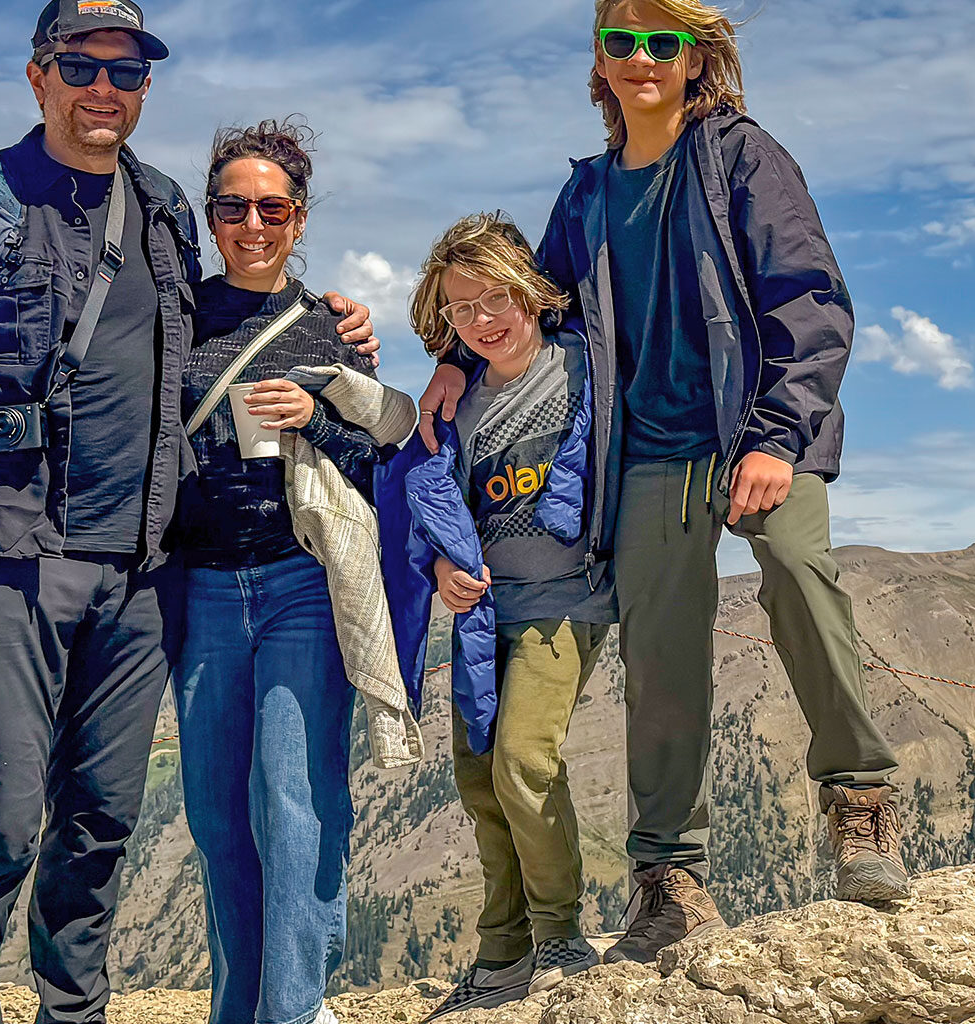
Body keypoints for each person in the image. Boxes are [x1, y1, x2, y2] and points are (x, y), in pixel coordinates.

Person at [0, 5, 375, 1021]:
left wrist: (328, 321)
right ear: (38, 74)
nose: (102, 88)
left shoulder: (163, 208)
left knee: (99, 826)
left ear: (144, 89)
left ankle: (73, 1013)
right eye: (80, 66)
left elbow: (217, 328)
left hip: (142, 575)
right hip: (8, 558)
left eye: (125, 72)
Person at [418, 0, 911, 967]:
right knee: (661, 651)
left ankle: (860, 801)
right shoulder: (588, 194)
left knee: (798, 572)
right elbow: (535, 304)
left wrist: (776, 439)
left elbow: (811, 300)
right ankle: (669, 877)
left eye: (662, 40)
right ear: (600, 63)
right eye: (621, 41)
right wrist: (451, 357)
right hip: (646, 450)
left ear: (695, 55)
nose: (641, 56)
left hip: (757, 432)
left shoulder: (741, 158)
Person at [174, 119, 412, 1024]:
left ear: (299, 217)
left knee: (294, 802)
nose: (252, 225)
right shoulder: (175, 318)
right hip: (200, 587)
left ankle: (294, 1010)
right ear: (211, 215)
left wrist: (315, 417)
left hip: (299, 585)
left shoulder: (326, 329)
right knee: (215, 817)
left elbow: (374, 458)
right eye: (232, 207)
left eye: (272, 209)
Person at [379, 214, 616, 1017]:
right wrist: (441, 569)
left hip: (567, 600)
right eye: (462, 307)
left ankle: (560, 936)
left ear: (532, 294)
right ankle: (504, 945)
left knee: (522, 758)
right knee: (480, 777)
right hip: (484, 616)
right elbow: (440, 517)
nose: (483, 319)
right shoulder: (457, 407)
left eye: (496, 299)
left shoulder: (585, 366)